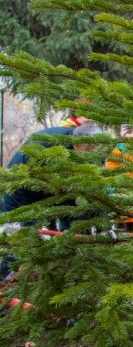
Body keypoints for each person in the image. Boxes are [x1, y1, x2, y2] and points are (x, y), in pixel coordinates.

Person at [1, 118, 106, 276]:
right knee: (24, 237)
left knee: (75, 223)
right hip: (24, 189)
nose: (89, 159)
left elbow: (96, 185)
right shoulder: (47, 146)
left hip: (64, 189)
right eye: (86, 153)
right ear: (75, 144)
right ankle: (5, 276)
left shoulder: (96, 151)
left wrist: (99, 218)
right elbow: (17, 187)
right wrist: (15, 219)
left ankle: (71, 269)